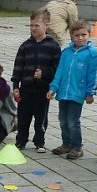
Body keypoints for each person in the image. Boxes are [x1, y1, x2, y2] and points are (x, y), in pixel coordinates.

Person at [47, 20, 97, 160]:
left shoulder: (92, 54)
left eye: (83, 34)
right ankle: (66, 144)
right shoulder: (66, 52)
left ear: (89, 35)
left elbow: (93, 75)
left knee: (72, 121)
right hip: (63, 92)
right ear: (71, 36)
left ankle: (77, 147)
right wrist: (53, 87)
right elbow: (60, 72)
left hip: (78, 93)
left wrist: (90, 92)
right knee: (63, 120)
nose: (80, 38)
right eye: (77, 35)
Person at [12, 8, 61, 152]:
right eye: (31, 25)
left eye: (36, 25)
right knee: (23, 116)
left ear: (47, 26)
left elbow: (56, 68)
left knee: (41, 116)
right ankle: (21, 140)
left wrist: (44, 74)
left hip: (43, 89)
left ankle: (39, 141)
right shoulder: (25, 46)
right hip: (26, 88)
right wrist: (16, 85)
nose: (33, 28)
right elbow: (18, 66)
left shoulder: (53, 46)